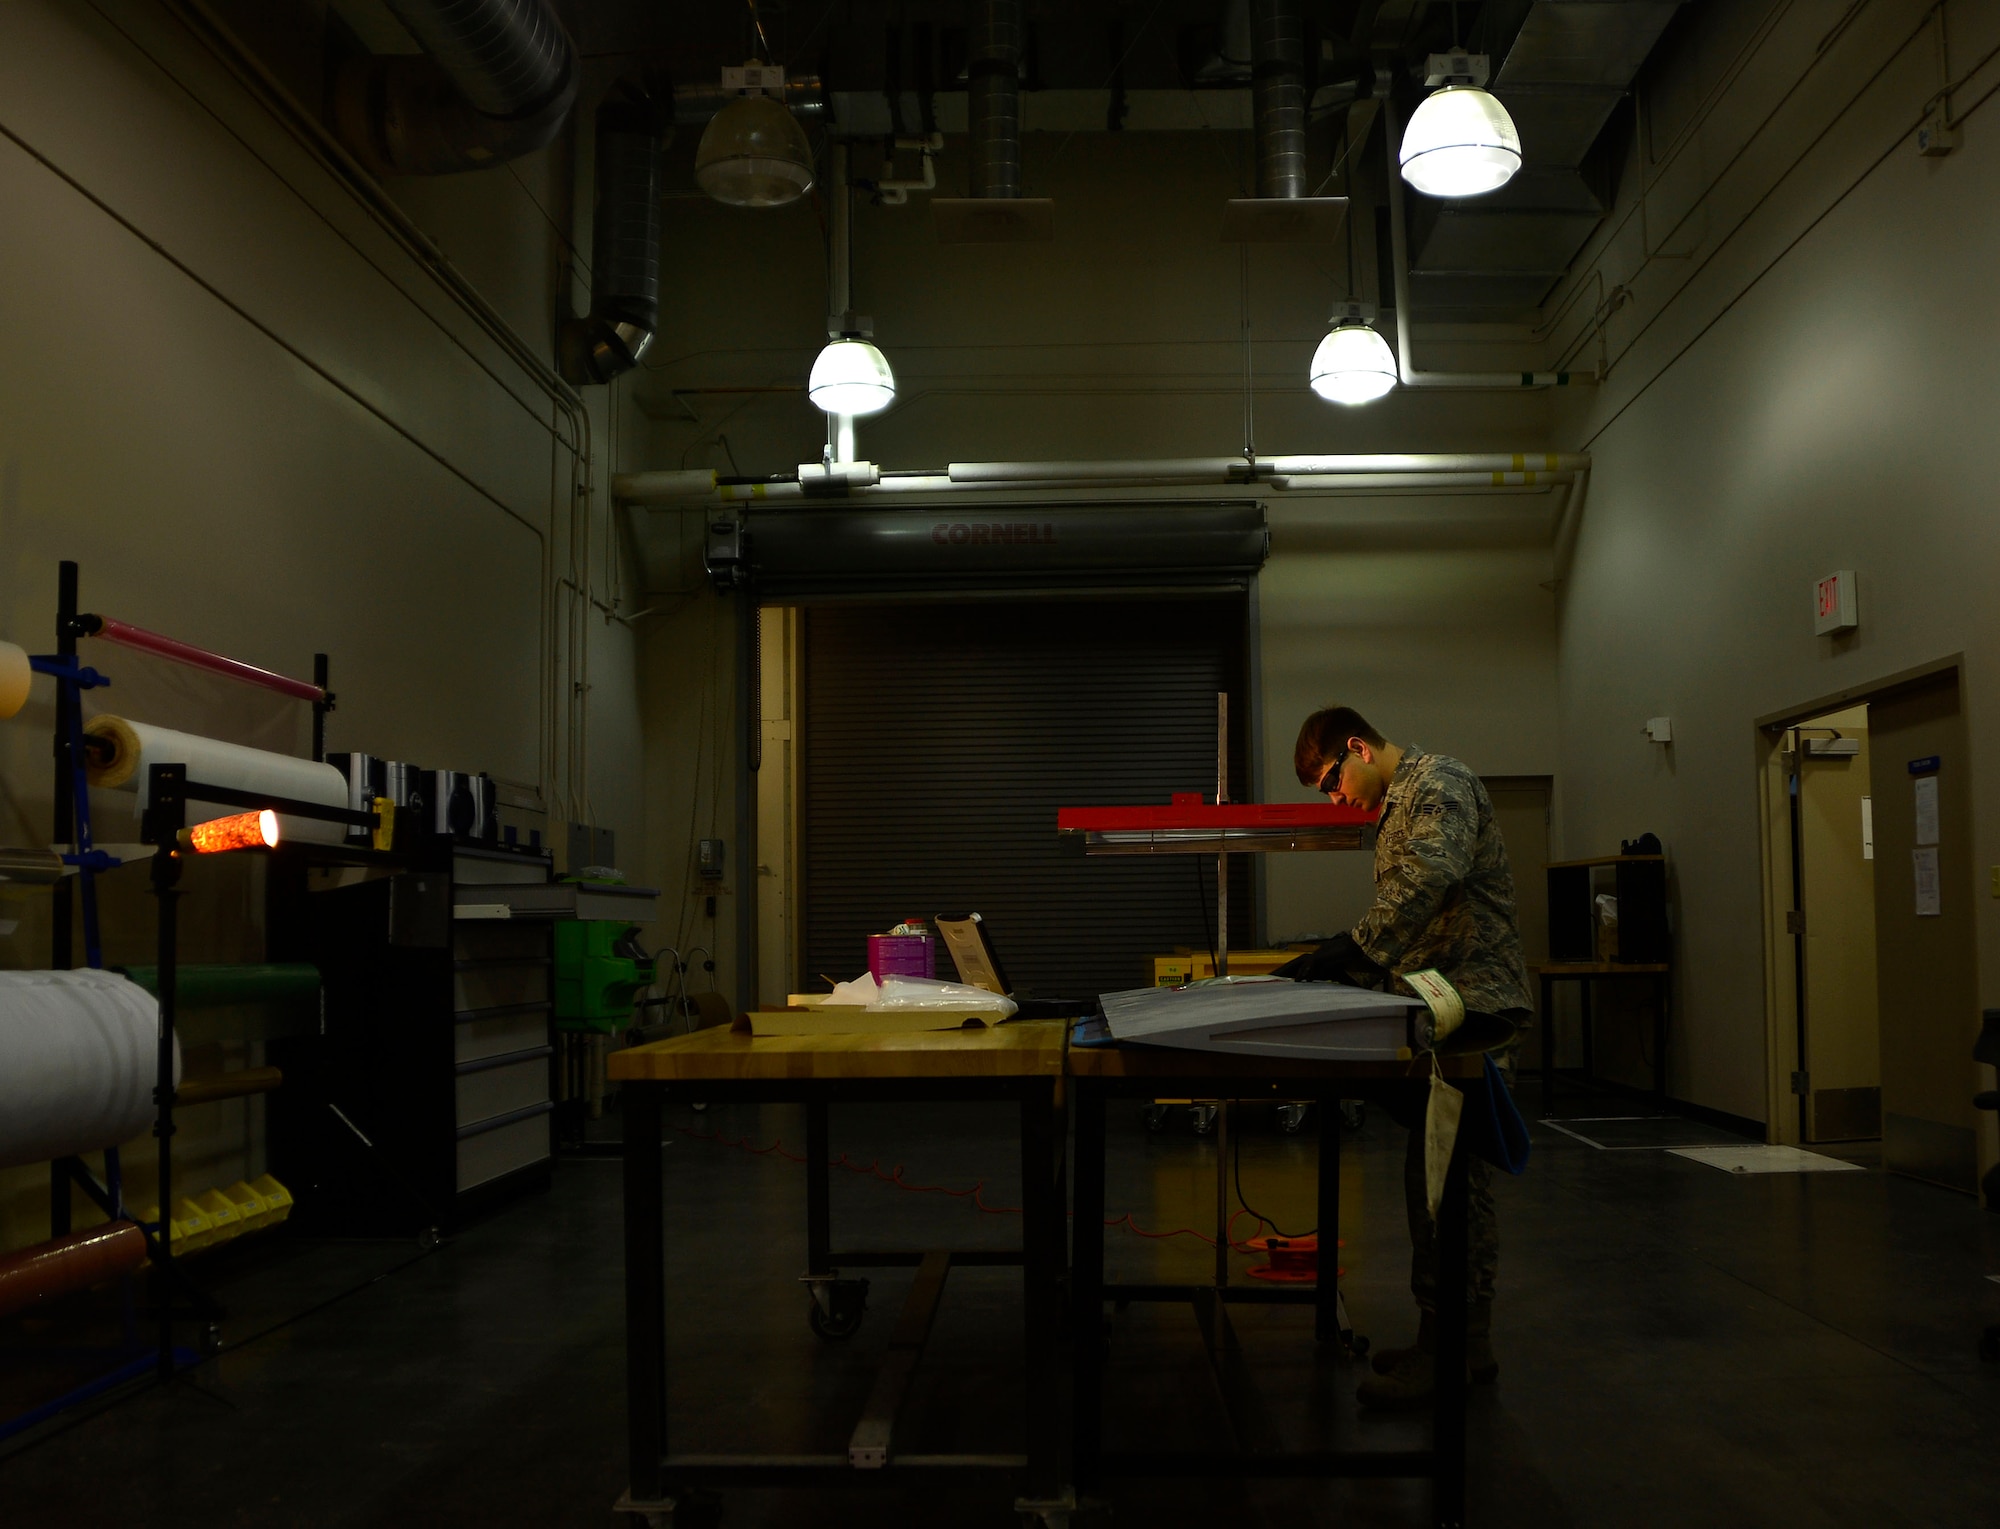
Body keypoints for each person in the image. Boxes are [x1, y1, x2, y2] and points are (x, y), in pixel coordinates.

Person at [1275, 706, 1531, 1411]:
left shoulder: (1438, 781)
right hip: (1441, 1008)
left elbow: (1428, 880)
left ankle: (1455, 1350)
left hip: (1472, 1010)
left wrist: (1347, 950)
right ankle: (1450, 1342)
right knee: (1434, 1177)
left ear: (1357, 746)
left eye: (1332, 779)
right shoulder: (1396, 807)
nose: (1336, 798)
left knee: (1452, 1182)